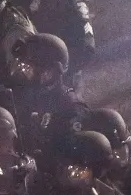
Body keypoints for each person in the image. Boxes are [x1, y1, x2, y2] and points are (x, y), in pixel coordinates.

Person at [6, 33, 85, 172]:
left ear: (48, 72)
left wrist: (37, 161)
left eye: (28, 69)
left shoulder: (70, 106)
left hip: (52, 186)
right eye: (23, 68)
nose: (24, 74)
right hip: (18, 177)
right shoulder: (22, 97)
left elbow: (71, 154)